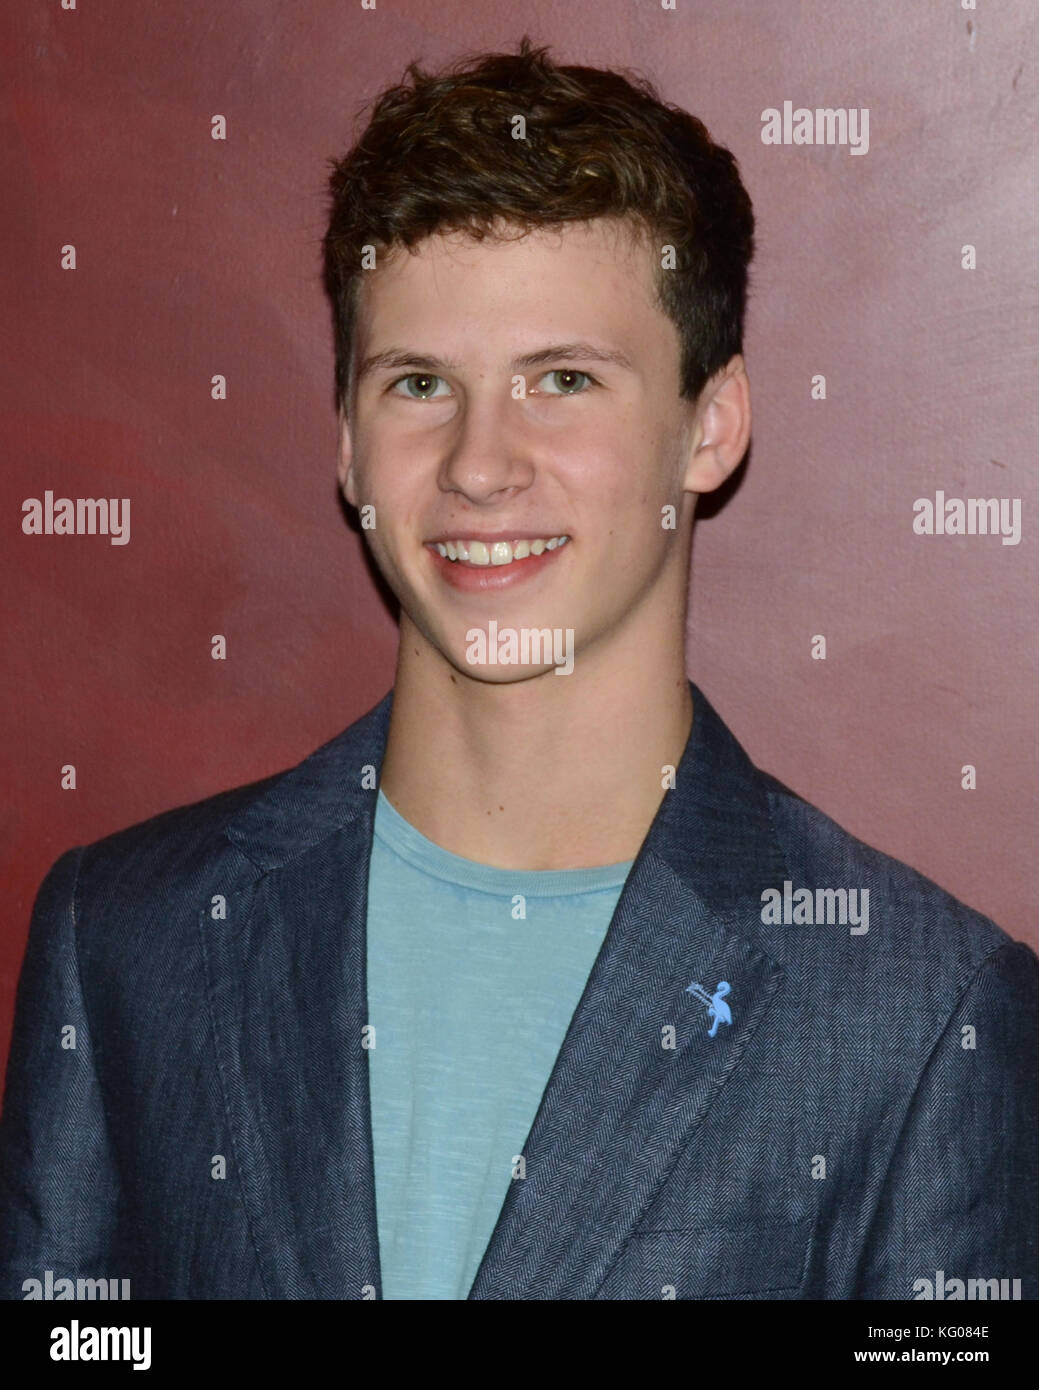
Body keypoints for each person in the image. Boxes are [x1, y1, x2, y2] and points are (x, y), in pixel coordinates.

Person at [2, 38, 1037, 1302]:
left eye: (562, 380)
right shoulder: (125, 936)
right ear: (344, 442)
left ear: (709, 425)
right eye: (421, 383)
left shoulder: (920, 1008)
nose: (480, 465)